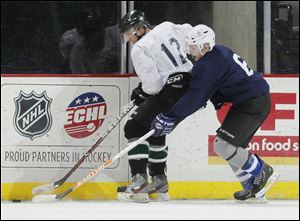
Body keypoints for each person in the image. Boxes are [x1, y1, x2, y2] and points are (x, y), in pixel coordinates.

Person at [151, 24, 280, 203]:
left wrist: (170, 116)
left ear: (205, 46)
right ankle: (253, 187)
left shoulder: (208, 63)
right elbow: (216, 83)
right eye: (189, 46)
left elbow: (195, 97)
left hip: (252, 103)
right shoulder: (219, 52)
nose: (190, 51)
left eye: (193, 47)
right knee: (232, 148)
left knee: (223, 146)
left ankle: (262, 170)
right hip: (249, 101)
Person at [117, 10, 193, 202]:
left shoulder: (140, 48)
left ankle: (139, 183)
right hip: (192, 85)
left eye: (129, 33)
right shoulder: (167, 26)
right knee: (156, 128)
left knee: (134, 127)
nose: (129, 38)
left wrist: (143, 92)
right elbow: (190, 32)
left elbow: (154, 85)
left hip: (171, 89)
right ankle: (159, 182)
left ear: (140, 28)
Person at [59, 10, 120, 74]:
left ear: (101, 30)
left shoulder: (117, 35)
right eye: (83, 34)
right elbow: (80, 81)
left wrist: (119, 62)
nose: (86, 39)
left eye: (90, 33)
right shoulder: (77, 53)